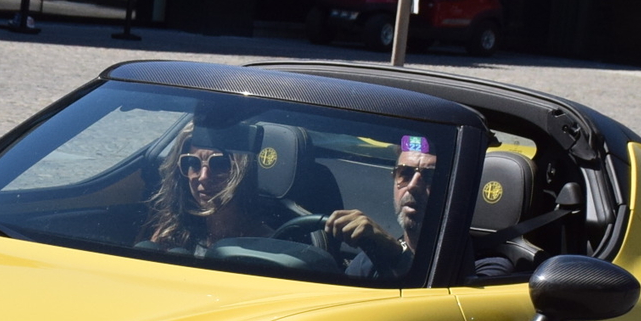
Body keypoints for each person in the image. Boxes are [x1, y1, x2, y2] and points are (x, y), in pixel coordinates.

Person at [140, 117, 300, 254]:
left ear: (242, 173)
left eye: (219, 164)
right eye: (193, 163)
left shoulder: (268, 246)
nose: (203, 177)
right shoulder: (173, 232)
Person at [322, 137, 437, 281]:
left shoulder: (465, 269)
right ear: (394, 178)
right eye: (405, 174)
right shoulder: (368, 264)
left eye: (430, 177)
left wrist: (395, 255)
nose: (413, 186)